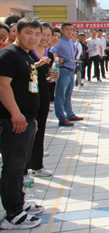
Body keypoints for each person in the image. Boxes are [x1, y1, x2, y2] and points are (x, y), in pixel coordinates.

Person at [0, 18, 45, 229]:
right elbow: (3, 86)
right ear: (16, 32)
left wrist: (30, 118)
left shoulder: (25, 56)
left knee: (20, 168)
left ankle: (19, 203)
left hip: (26, 119)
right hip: (13, 121)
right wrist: (16, 114)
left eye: (37, 34)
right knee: (13, 167)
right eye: (29, 33)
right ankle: (13, 214)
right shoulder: (9, 54)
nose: (34, 38)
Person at [28, 22, 58, 178]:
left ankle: (37, 166)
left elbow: (47, 77)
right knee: (28, 131)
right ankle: (25, 167)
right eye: (42, 34)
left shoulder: (48, 53)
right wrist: (36, 64)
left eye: (48, 35)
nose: (45, 38)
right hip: (28, 95)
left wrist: (52, 77)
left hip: (43, 93)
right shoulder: (27, 52)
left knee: (40, 129)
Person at [51, 22, 84, 126]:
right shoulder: (59, 41)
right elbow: (51, 52)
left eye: (71, 29)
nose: (69, 31)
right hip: (63, 70)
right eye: (67, 29)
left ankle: (69, 114)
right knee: (60, 95)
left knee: (68, 95)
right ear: (62, 30)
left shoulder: (70, 41)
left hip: (71, 70)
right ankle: (61, 117)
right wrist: (58, 59)